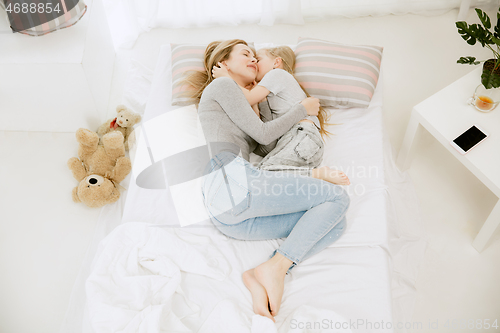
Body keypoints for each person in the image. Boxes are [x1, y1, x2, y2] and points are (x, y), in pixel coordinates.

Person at [181, 39, 350, 322]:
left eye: (254, 56)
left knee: (335, 222)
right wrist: (304, 108)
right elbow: (263, 134)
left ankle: (271, 268)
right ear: (222, 64)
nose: (253, 60)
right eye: (245, 54)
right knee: (337, 197)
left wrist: (261, 111)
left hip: (232, 215)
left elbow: (265, 144)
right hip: (230, 181)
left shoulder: (239, 100)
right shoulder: (221, 87)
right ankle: (276, 269)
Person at [211, 46, 350, 185]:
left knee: (262, 174)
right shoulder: (271, 94)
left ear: (276, 63)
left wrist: (226, 77)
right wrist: (260, 102)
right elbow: (268, 141)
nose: (254, 61)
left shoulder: (277, 74)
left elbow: (247, 98)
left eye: (258, 59)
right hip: (300, 144)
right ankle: (312, 174)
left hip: (302, 138)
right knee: (261, 176)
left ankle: (317, 173)